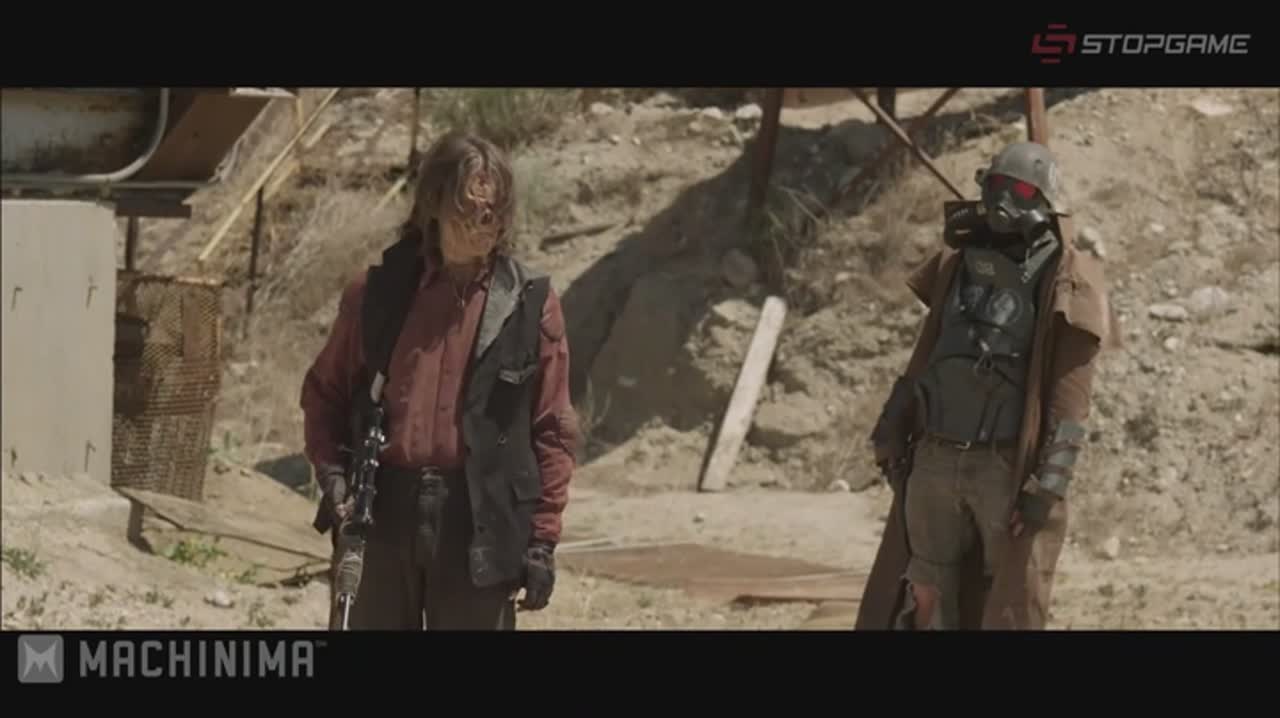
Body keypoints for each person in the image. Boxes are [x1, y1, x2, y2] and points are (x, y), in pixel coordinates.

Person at [300, 131, 578, 630]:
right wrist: (333, 476)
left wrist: (542, 539)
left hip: (479, 520)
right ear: (433, 204)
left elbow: (552, 428)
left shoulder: (529, 304)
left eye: (494, 211)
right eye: (468, 208)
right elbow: (325, 394)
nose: (483, 224)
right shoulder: (378, 294)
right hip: (382, 512)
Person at [855, 141, 1119, 630]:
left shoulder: (1069, 278)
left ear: (1044, 200)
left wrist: (1047, 485)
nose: (1004, 200)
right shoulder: (958, 264)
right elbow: (928, 354)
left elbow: (1071, 400)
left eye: (1020, 190)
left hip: (1003, 467)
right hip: (935, 457)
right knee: (925, 592)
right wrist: (892, 424)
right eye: (995, 185)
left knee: (1009, 601)